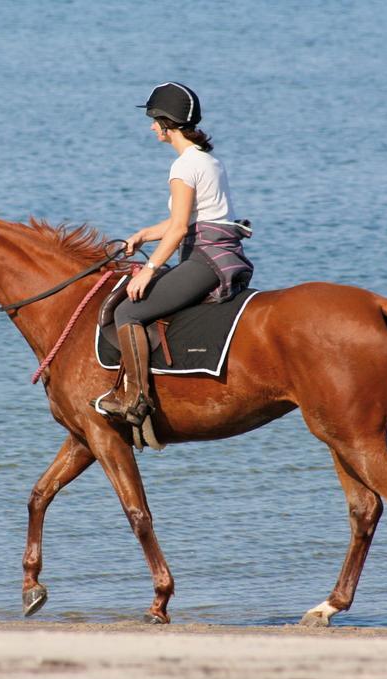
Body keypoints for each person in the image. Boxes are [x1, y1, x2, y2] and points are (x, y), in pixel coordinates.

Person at [94, 82, 254, 427]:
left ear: (167, 123)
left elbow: (181, 228)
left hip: (204, 260)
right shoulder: (208, 160)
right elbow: (195, 218)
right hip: (220, 251)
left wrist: (150, 269)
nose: (152, 127)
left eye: (154, 120)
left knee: (127, 312)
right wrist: (143, 234)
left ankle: (134, 398)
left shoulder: (182, 168)